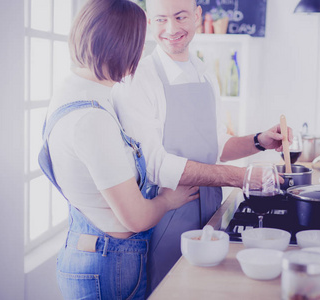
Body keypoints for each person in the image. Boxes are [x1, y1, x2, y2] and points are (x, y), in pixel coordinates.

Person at [112, 0, 292, 293]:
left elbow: (216, 143)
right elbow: (154, 165)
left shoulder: (205, 73)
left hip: (210, 213)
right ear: (148, 22)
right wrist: (240, 178)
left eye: (180, 16)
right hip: (165, 217)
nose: (171, 29)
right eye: (160, 20)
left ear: (197, 16)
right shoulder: (137, 79)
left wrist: (259, 141)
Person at [38, 0, 199, 299]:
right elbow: (136, 218)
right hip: (109, 265)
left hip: (91, 251)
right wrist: (168, 199)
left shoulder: (72, 88)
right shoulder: (92, 120)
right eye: (140, 44)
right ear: (125, 48)